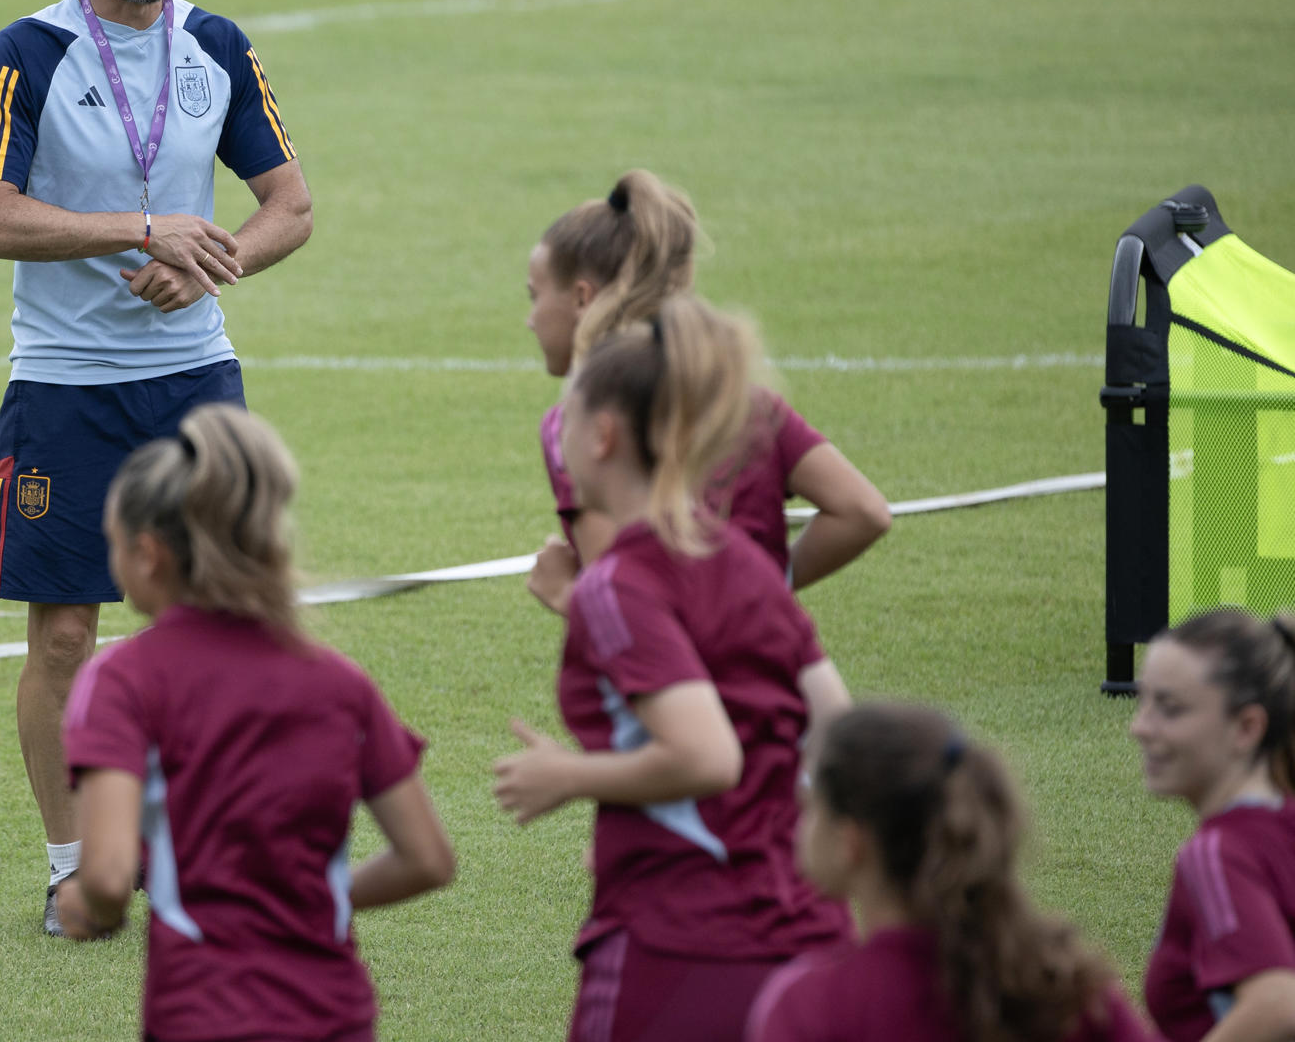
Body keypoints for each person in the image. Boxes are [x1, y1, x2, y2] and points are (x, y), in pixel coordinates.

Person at [0, 0, 314, 933]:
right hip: (65, 385)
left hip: (196, 381)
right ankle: (74, 865)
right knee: (65, 636)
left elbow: (289, 204)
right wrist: (141, 227)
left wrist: (215, 258)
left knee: (230, 623)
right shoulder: (30, 53)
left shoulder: (215, 46)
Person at [494, 297, 854, 1042]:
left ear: (602, 436)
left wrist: (570, 776)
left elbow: (706, 756)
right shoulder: (747, 564)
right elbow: (838, 733)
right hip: (809, 931)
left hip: (678, 941)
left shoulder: (615, 584)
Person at [56, 404, 454, 1039]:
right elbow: (428, 859)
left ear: (150, 555)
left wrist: (88, 905)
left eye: (114, 545)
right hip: (336, 1015)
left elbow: (106, 875)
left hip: (203, 1014)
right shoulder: (339, 683)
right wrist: (310, 899)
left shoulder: (122, 680)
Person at [525, 169, 889, 581]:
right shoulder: (744, 402)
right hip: (776, 645)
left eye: (534, 296)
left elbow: (629, 601)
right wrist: (765, 595)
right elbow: (863, 512)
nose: (530, 320)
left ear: (580, 298)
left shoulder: (579, 424)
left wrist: (563, 594)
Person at [745, 702, 1153, 1042]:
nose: (799, 824)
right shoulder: (1065, 987)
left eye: (812, 807)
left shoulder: (813, 1007)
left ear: (851, 843)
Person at [1131, 606, 1295, 1041]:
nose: (1139, 727)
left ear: (1246, 727)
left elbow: (1277, 1002)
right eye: (1142, 701)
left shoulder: (1215, 854)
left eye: (1169, 708)